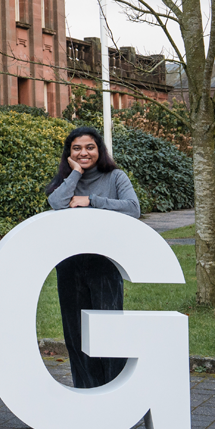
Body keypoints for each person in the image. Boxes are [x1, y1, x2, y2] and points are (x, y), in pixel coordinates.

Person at [44, 126, 140, 389]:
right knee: (76, 333)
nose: (83, 152)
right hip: (70, 266)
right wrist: (75, 173)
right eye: (77, 148)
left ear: (99, 150)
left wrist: (91, 201)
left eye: (89, 147)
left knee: (109, 330)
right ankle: (85, 392)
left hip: (104, 265)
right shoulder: (66, 180)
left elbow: (133, 208)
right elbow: (57, 203)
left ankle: (115, 390)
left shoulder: (115, 177)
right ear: (69, 153)